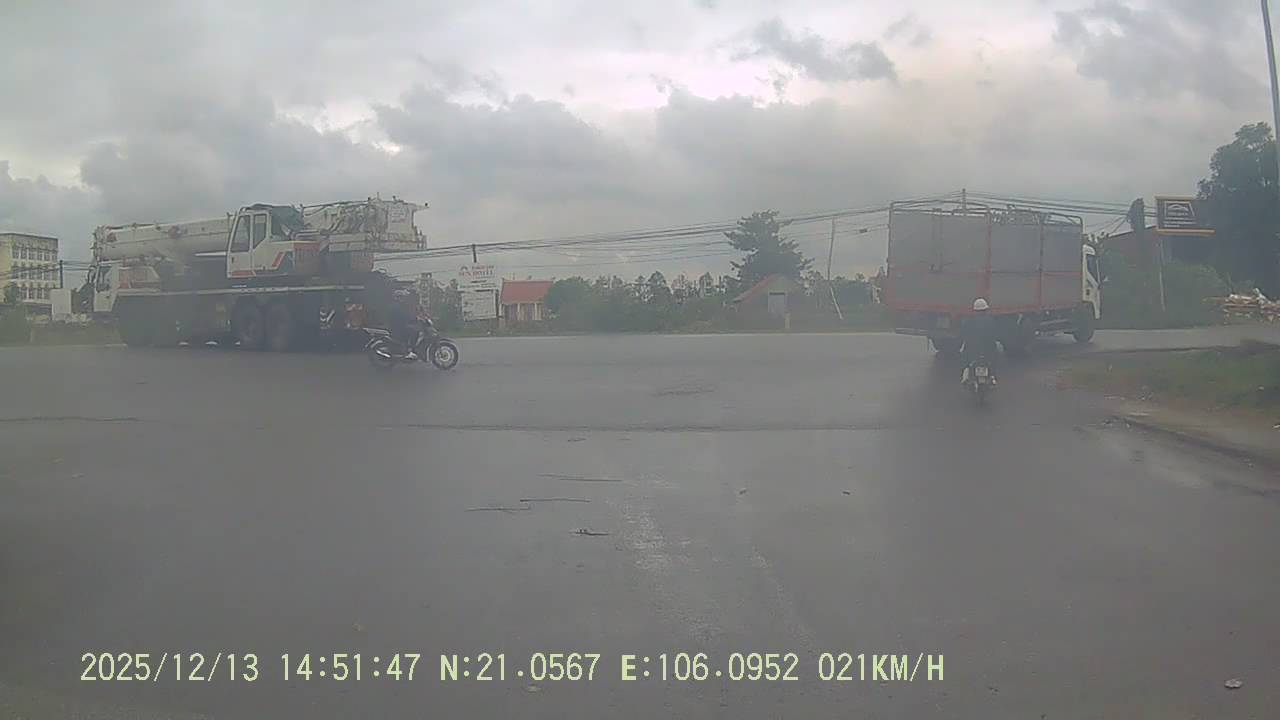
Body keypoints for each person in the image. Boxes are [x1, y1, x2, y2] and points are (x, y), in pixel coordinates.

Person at [960, 297, 998, 384]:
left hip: (972, 350)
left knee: (964, 361)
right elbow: (995, 335)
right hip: (987, 350)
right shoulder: (990, 321)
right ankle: (993, 377)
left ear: (975, 310)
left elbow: (962, 334)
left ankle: (965, 377)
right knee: (994, 360)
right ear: (985, 310)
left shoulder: (969, 321)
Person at [386, 288, 422, 360]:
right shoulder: (397, 306)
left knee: (413, 329)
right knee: (415, 332)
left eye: (403, 297)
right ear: (398, 297)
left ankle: (408, 348)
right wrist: (414, 319)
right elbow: (404, 316)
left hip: (399, 325)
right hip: (398, 327)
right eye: (402, 297)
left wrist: (414, 318)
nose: (403, 299)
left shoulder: (397, 305)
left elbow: (405, 315)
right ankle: (410, 350)